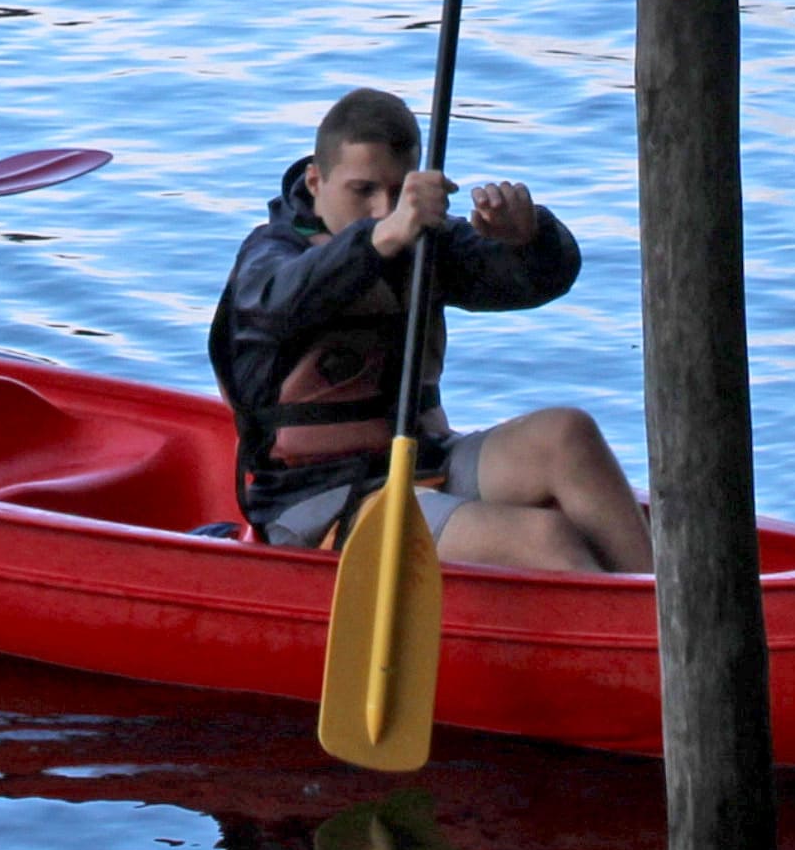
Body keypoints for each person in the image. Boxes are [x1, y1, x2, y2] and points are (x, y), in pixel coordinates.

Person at [207, 86, 654, 572]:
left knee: (568, 434)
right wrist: (379, 240)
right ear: (315, 181)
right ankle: (628, 634)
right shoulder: (268, 257)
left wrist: (527, 240)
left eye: (400, 193)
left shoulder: (425, 243)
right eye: (363, 191)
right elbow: (279, 303)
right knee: (544, 537)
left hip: (426, 461)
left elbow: (535, 280)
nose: (384, 208)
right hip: (317, 500)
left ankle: (665, 613)